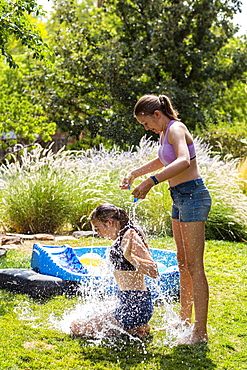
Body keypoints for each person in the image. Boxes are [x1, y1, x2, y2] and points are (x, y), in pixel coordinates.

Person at [120, 94, 212, 345]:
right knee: (182, 263)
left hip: (194, 196)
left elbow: (183, 161)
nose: (146, 128)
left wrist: (151, 182)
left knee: (195, 265)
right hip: (179, 197)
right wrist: (135, 173)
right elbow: (164, 159)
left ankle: (200, 332)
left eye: (145, 122)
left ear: (157, 115)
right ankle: (184, 319)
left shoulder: (176, 128)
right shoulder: (164, 133)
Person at [70, 203, 159, 339]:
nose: (98, 233)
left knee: (76, 327)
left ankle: (135, 325)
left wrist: (130, 257)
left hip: (134, 306)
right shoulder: (124, 232)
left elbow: (154, 272)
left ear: (109, 222)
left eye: (98, 228)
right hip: (128, 301)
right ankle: (136, 327)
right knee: (88, 314)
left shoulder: (129, 236)